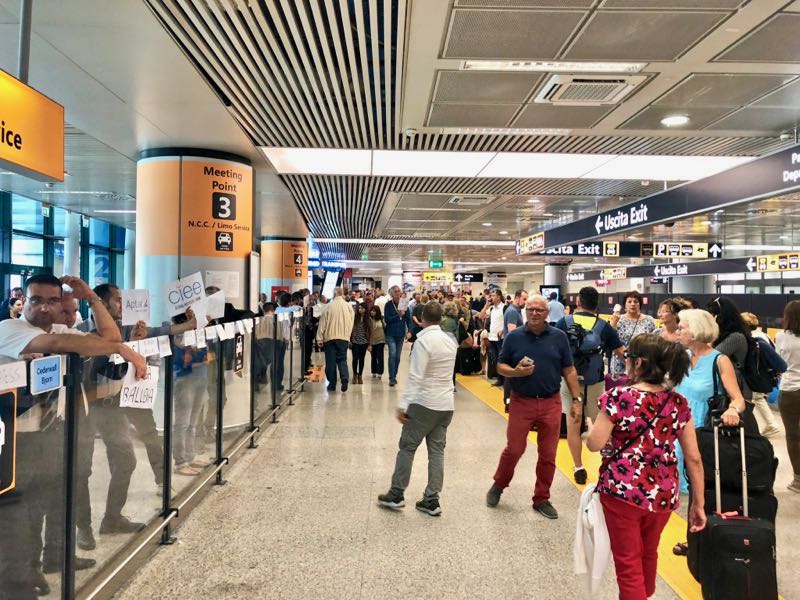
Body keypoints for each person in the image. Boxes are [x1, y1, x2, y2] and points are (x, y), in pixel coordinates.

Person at [0, 274, 146, 598]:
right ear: (23, 300)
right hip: (15, 441)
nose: (44, 307)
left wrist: (91, 297)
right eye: (36, 300)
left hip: (50, 432)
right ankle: (19, 579)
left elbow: (108, 337)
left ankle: (34, 569)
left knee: (43, 504)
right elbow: (58, 345)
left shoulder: (61, 330)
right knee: (17, 519)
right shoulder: (10, 330)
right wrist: (122, 348)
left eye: (52, 301)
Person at [586, 334, 707, 600]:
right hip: (664, 494)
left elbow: (595, 444)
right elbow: (694, 458)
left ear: (638, 363)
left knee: (628, 562)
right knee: (648, 552)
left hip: (622, 492)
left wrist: (589, 429)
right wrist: (698, 503)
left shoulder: (617, 397)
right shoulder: (678, 403)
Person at [485, 295, 581, 519]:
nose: (535, 314)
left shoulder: (558, 337)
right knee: (515, 449)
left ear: (547, 313)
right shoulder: (514, 337)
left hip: (550, 402)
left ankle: (542, 498)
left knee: (548, 454)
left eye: (539, 310)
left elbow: (569, 370)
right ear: (524, 312)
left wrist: (576, 400)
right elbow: (500, 366)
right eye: (530, 310)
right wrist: (516, 372)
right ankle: (499, 484)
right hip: (522, 400)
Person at [377, 302, 458, 516]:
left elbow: (415, 377)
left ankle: (396, 494)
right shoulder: (450, 341)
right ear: (441, 318)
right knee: (437, 452)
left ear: (422, 318)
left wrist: (403, 405)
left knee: (407, 447)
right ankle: (431, 500)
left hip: (424, 403)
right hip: (446, 404)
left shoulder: (423, 342)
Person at [555, 286, 625, 485]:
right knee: (601, 425)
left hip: (570, 381)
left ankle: (578, 467)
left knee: (573, 426)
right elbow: (621, 351)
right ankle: (607, 462)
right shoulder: (604, 326)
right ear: (597, 304)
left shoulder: (564, 322)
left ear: (578, 302)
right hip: (595, 382)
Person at [673, 308, 744, 495]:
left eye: (682, 328)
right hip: (675, 428)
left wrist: (733, 410)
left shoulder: (719, 360)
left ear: (696, 331)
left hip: (701, 430)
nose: (677, 332)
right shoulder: (682, 357)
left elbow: (738, 399)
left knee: (695, 486)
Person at [705, 297, 758, 432]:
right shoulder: (725, 336)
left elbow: (711, 356)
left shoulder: (736, 337)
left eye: (711, 316)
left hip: (737, 392)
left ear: (720, 317)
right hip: (725, 388)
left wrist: (710, 334)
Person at [741, 311, 782, 437]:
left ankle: (771, 424)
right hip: (765, 373)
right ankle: (770, 423)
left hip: (759, 375)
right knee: (759, 398)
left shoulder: (753, 339)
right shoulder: (763, 335)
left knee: (757, 398)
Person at [776, 300, 800, 493]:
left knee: (793, 436)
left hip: (789, 390)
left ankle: (798, 479)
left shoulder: (781, 337)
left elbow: (778, 364)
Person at [609, 291, 657, 380]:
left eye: (636, 301)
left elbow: (653, 343)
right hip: (619, 362)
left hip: (641, 364)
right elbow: (609, 338)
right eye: (629, 301)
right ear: (624, 305)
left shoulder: (649, 320)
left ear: (640, 304)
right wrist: (613, 323)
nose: (633, 304)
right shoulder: (618, 320)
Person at [317, 287, 354, 392]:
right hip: (343, 338)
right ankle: (344, 377)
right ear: (342, 294)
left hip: (329, 338)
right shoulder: (348, 306)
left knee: (331, 362)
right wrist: (348, 335)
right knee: (342, 359)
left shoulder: (328, 306)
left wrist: (319, 338)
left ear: (334, 294)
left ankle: (332, 384)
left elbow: (322, 323)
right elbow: (351, 322)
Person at [501, 290, 528, 406]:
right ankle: (508, 401)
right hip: (513, 350)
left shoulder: (514, 311)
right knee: (511, 376)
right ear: (517, 297)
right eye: (524, 299)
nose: (525, 302)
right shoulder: (512, 311)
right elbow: (512, 331)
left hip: (514, 348)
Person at [383, 285, 412, 387]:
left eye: (399, 291)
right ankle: (391, 377)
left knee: (398, 357)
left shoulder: (404, 303)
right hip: (390, 334)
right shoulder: (388, 305)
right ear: (391, 294)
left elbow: (408, 319)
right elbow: (387, 320)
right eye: (395, 291)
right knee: (393, 354)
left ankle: (394, 375)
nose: (398, 293)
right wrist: (398, 316)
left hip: (400, 334)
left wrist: (410, 331)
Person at [478, 289, 506, 387]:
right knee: (495, 359)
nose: (491, 298)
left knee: (501, 359)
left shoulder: (504, 308)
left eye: (493, 296)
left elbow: (507, 322)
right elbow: (481, 316)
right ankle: (499, 378)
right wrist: (486, 305)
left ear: (499, 296)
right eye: (491, 296)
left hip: (501, 338)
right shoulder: (491, 308)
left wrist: (503, 330)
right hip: (492, 337)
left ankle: (503, 379)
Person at [350, 303, 371, 384]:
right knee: (355, 358)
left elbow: (370, 332)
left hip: (364, 342)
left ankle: (360, 375)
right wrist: (350, 340)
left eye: (362, 308)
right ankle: (355, 375)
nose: (360, 310)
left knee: (362, 359)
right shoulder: (354, 318)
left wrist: (370, 344)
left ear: (365, 309)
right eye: (359, 308)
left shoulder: (368, 319)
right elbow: (351, 330)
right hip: (355, 341)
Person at [369, 305, 386, 378]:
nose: (372, 312)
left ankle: (380, 372)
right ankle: (374, 371)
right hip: (372, 341)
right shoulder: (369, 319)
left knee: (380, 356)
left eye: (374, 311)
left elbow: (385, 327)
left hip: (381, 340)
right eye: (372, 310)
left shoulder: (381, 319)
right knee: (373, 357)